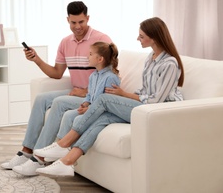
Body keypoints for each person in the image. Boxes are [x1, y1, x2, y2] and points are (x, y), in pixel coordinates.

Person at [34, 17, 185, 176]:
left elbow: (156, 100)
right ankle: (68, 161)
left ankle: (63, 144)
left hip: (158, 111)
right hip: (143, 107)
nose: (137, 39)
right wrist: (123, 98)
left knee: (104, 99)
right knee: (103, 117)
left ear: (153, 38)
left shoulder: (170, 64)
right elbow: (145, 90)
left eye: (141, 36)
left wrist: (123, 95)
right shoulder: (150, 58)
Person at [0, 1, 112, 176]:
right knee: (41, 98)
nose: (77, 27)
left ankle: (38, 160)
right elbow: (57, 73)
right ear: (67, 20)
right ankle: (26, 151)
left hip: (93, 96)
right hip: (76, 92)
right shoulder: (65, 42)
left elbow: (110, 75)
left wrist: (86, 92)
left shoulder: (101, 40)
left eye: (81, 22)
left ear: (88, 18)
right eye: (73, 23)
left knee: (59, 102)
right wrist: (36, 59)